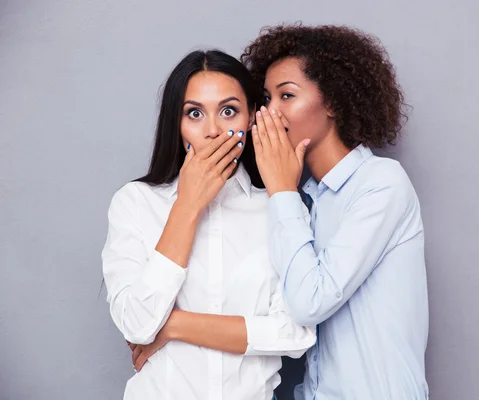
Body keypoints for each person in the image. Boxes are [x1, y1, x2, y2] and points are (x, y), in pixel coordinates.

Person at [101, 49, 316, 400]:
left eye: (228, 111)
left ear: (250, 119)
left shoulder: (280, 207)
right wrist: (188, 206)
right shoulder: (136, 203)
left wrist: (173, 326)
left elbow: (296, 333)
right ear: (177, 122)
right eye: (195, 113)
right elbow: (138, 325)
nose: (213, 131)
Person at [241, 24, 429, 400]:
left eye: (286, 96)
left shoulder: (381, 183)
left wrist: (281, 190)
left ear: (332, 103)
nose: (269, 114)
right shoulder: (305, 201)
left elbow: (311, 301)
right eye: (266, 98)